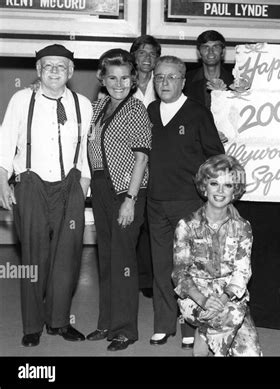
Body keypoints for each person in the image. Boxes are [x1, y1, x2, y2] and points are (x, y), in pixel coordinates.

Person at [0, 44, 92, 347]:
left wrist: (83, 186)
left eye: (61, 66)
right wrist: (3, 181)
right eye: (48, 65)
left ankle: (59, 321)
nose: (55, 71)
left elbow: (86, 153)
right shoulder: (21, 100)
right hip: (31, 184)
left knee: (68, 258)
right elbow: (4, 143)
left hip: (70, 186)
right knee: (34, 256)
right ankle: (32, 325)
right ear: (38, 70)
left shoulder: (83, 104)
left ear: (71, 71)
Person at [147, 56, 225, 349]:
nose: (164, 83)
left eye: (171, 77)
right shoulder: (149, 111)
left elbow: (216, 157)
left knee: (190, 268)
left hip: (188, 203)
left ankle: (190, 325)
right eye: (159, 77)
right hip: (155, 202)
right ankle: (162, 324)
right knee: (161, 265)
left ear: (182, 81)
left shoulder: (198, 113)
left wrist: (211, 198)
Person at [86, 48, 152, 351]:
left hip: (127, 190)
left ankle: (125, 329)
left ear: (134, 79)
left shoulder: (136, 108)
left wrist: (130, 198)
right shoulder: (99, 106)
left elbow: (141, 159)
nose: (119, 83)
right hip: (100, 187)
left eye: (125, 78)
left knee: (124, 261)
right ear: (102, 78)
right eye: (112, 77)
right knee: (107, 259)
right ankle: (106, 322)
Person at [172, 154, 262, 356]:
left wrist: (222, 298)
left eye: (228, 185)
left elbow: (242, 271)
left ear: (235, 191)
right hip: (195, 297)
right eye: (214, 183)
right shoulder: (186, 225)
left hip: (230, 296)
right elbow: (179, 274)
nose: (220, 191)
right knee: (227, 318)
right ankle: (206, 335)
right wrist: (203, 301)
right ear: (205, 187)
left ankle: (203, 337)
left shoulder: (243, 227)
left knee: (250, 353)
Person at [130, 34, 162, 299]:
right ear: (134, 56)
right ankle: (134, 275)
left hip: (156, 160)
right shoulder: (122, 84)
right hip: (126, 161)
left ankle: (152, 278)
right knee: (133, 223)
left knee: (152, 223)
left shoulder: (162, 84)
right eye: (142, 53)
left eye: (152, 54)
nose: (147, 58)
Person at [184, 30, 233, 109]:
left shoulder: (234, 82)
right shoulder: (186, 81)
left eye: (215, 47)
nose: (211, 52)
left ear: (223, 52)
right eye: (205, 47)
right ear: (198, 52)